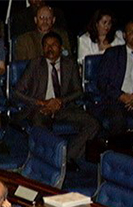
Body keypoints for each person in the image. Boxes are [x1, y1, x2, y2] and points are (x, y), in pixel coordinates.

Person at [13, 32, 100, 165]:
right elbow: (17, 92)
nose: (50, 48)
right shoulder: (35, 64)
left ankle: (65, 159)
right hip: (40, 108)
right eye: (46, 45)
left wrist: (60, 101)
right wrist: (40, 102)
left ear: (61, 47)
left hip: (63, 107)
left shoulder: (70, 64)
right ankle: (45, 161)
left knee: (92, 124)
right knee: (39, 124)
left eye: (53, 45)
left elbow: (78, 91)